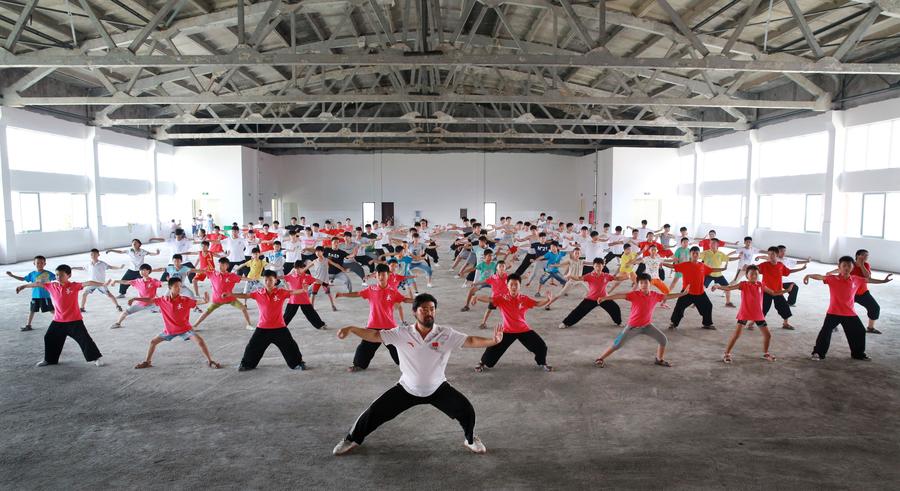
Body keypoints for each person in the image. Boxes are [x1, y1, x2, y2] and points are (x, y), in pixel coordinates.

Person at [332, 293, 503, 456]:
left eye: (432, 309)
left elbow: (470, 340)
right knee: (373, 413)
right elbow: (375, 335)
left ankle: (470, 439)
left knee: (467, 411)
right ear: (414, 312)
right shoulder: (401, 333)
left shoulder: (446, 333)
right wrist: (352, 329)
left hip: (438, 388)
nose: (429, 313)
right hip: (407, 388)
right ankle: (351, 439)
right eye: (424, 309)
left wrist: (493, 341)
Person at [15, 264, 106, 367]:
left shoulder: (74, 286)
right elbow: (37, 284)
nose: (58, 277)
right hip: (58, 321)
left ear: (69, 275)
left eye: (61, 275)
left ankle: (96, 358)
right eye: (57, 275)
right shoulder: (51, 286)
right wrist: (23, 286)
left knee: (84, 339)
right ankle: (50, 359)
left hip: (74, 321)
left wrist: (103, 283)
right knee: (49, 337)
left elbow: (89, 282)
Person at [804, 256, 892, 361]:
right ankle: (818, 353)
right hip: (833, 312)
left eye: (849, 266)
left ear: (852, 267)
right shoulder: (832, 278)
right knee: (825, 332)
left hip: (850, 313)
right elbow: (821, 277)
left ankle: (858, 354)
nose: (846, 268)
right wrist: (809, 275)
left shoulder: (856, 279)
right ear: (839, 267)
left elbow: (869, 280)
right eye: (844, 266)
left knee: (859, 331)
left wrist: (883, 281)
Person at [592, 273, 686, 368]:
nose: (644, 285)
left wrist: (683, 294)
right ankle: (600, 358)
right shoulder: (634, 295)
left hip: (647, 326)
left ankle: (659, 359)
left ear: (650, 283)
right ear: (638, 285)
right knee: (617, 344)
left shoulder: (655, 295)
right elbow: (619, 295)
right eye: (641, 283)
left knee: (663, 340)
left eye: (646, 282)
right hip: (633, 327)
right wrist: (605, 298)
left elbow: (668, 296)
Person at [130, 278, 222, 369]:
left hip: (185, 329)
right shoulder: (162, 300)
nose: (179, 288)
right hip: (169, 330)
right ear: (170, 287)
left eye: (180, 286)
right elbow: (150, 300)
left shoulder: (184, 300)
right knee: (153, 342)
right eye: (176, 286)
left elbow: (197, 302)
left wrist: (205, 301)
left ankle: (210, 361)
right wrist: (135, 298)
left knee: (200, 341)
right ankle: (147, 362)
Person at [336, 263, 413, 372]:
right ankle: (358, 365)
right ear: (376, 276)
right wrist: (343, 294)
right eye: (379, 274)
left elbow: (404, 299)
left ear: (388, 275)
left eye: (384, 274)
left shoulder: (393, 291)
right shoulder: (370, 289)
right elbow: (357, 293)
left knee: (398, 348)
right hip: (373, 325)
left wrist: (418, 301)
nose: (381, 277)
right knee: (364, 348)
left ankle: (407, 365)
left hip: (389, 326)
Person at [472, 274, 554, 372]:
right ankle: (482, 362)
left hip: (523, 329)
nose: (514, 287)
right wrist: (477, 297)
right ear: (507, 285)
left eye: (516, 284)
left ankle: (543, 363)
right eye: (511, 284)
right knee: (493, 348)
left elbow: (537, 303)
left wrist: (547, 300)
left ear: (520, 286)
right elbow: (489, 299)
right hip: (507, 330)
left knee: (541, 346)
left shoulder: (524, 298)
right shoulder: (502, 298)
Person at [231, 270, 310, 371]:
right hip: (262, 328)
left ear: (275, 280)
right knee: (252, 347)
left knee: (291, 347)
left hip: (280, 328)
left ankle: (298, 364)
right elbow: (245, 295)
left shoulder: (281, 292)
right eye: (266, 280)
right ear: (263, 281)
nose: (268, 282)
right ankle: (246, 365)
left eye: (271, 280)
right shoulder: (258, 293)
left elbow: (292, 292)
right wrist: (231, 294)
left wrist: (303, 290)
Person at [712, 265, 790, 364]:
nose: (754, 276)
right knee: (736, 335)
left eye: (756, 274)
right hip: (745, 313)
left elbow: (773, 293)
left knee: (768, 335)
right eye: (751, 274)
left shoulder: (761, 285)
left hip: (758, 315)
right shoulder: (743, 284)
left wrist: (786, 291)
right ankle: (726, 353)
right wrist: (718, 286)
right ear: (747, 275)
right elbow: (729, 288)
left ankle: (766, 353)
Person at [665, 247, 726, 330]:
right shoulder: (685, 264)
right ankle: (673, 323)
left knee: (708, 306)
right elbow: (673, 266)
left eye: (697, 253)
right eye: (693, 253)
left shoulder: (702, 265)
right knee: (679, 307)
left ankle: (707, 324)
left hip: (700, 293)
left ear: (699, 255)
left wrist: (723, 268)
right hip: (686, 292)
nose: (695, 254)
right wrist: (662, 263)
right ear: (690, 254)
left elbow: (712, 269)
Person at [557, 258, 623, 329]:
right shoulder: (589, 275)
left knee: (615, 308)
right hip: (591, 299)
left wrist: (627, 276)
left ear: (603, 266)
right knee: (578, 311)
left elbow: (617, 278)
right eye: (596, 266)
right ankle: (566, 323)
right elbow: (579, 278)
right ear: (593, 266)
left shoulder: (606, 275)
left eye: (600, 266)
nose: (598, 268)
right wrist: (570, 276)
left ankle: (618, 322)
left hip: (603, 298)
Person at [829, 249, 883, 334]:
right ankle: (833, 326)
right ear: (858, 256)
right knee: (839, 308)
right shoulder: (850, 265)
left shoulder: (866, 265)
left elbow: (868, 276)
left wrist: (861, 265)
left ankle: (870, 328)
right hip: (849, 293)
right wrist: (830, 272)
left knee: (875, 308)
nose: (866, 257)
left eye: (867, 255)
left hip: (863, 293)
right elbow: (840, 269)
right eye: (864, 255)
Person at [193, 258, 254, 331]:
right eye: (219, 265)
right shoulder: (213, 273)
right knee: (207, 311)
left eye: (222, 265)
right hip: (217, 299)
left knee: (243, 308)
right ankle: (195, 325)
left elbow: (241, 278)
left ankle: (249, 325)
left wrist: (252, 279)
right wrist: (191, 270)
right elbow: (202, 271)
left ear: (227, 266)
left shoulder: (231, 276)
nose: (220, 267)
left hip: (230, 298)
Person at [757, 247, 807, 330]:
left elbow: (788, 271)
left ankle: (785, 323)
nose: (770, 256)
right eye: (768, 254)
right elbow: (755, 269)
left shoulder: (780, 265)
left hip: (778, 291)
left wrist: (801, 269)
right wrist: (747, 267)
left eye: (772, 254)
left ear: (777, 254)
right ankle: (753, 322)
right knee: (763, 308)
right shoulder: (764, 265)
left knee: (784, 307)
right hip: (767, 291)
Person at [7, 255, 56, 331]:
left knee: (51, 310)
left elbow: (57, 277)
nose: (40, 264)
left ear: (45, 264)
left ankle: (62, 321)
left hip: (45, 296)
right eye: (38, 263)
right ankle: (28, 325)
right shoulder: (32, 274)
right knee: (32, 310)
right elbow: (23, 279)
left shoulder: (48, 273)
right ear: (34, 263)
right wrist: (12, 275)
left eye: (42, 263)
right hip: (35, 296)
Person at [108, 264, 162, 329]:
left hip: (152, 303)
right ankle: (117, 323)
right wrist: (116, 281)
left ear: (149, 271)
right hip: (140, 303)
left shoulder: (153, 281)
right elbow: (126, 282)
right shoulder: (137, 281)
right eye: (140, 270)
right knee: (125, 312)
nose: (142, 272)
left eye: (144, 270)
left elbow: (162, 283)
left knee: (167, 310)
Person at [283, 260, 327, 330]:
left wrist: (325, 283)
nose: (297, 270)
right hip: (293, 300)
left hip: (304, 300)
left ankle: (320, 325)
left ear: (303, 268)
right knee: (287, 315)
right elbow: (282, 278)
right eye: (295, 268)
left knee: (311, 314)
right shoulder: (291, 276)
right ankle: (280, 326)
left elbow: (316, 280)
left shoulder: (307, 277)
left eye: (299, 268)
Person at [700, 239, 738, 307]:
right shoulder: (705, 253)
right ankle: (697, 301)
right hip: (708, 274)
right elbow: (696, 256)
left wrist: (738, 257)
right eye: (711, 243)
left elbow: (728, 259)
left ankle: (728, 302)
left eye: (714, 243)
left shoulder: (720, 254)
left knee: (727, 288)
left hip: (718, 274)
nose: (712, 244)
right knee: (702, 288)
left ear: (717, 245)